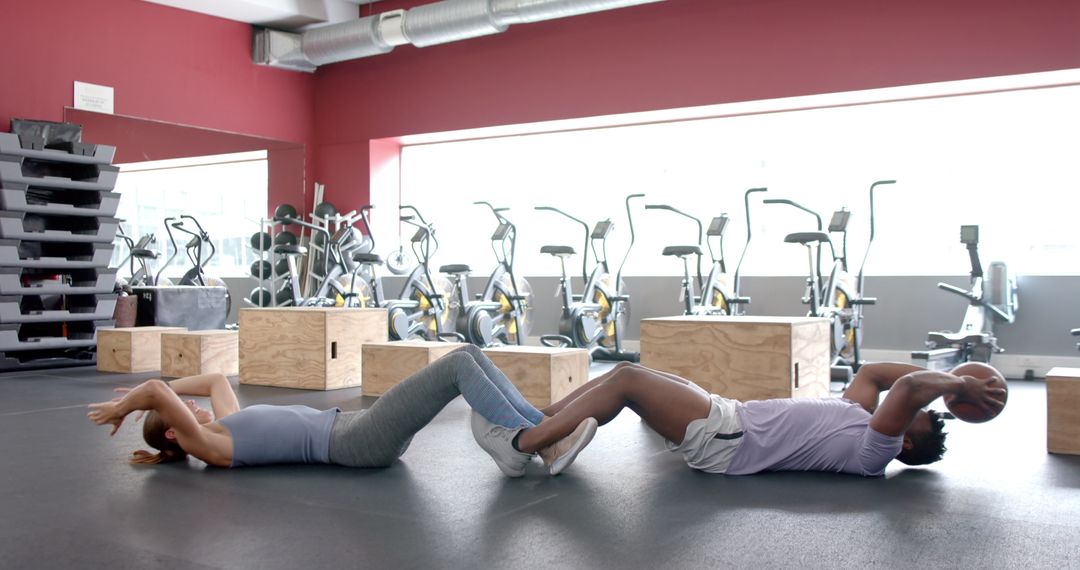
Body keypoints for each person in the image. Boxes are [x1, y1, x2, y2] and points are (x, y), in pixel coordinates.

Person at [88, 345, 595, 475]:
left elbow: (216, 378)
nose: (193, 405)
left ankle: (542, 434)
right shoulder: (211, 446)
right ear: (175, 435)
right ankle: (543, 441)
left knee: (467, 355)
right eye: (184, 410)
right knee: (456, 367)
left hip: (352, 428)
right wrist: (129, 404)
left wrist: (157, 396)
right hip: (354, 442)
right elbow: (156, 391)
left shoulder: (222, 421)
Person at [488, 361, 1007, 477]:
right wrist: (953, 383)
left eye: (914, 419)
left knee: (626, 381)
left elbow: (912, 388)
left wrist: (959, 385)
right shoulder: (857, 411)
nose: (909, 407)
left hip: (728, 441)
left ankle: (522, 442)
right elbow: (875, 373)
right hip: (727, 415)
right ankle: (535, 420)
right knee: (633, 372)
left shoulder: (874, 453)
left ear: (908, 446)